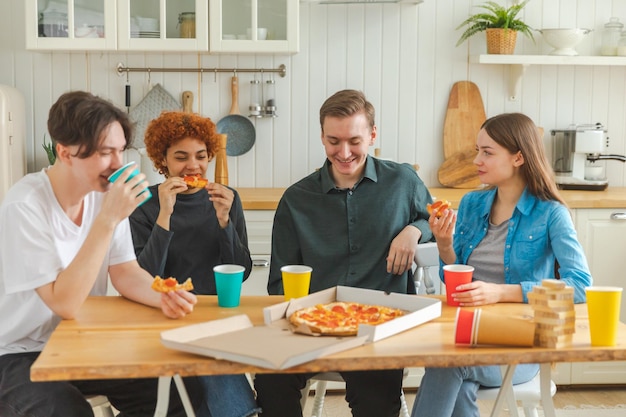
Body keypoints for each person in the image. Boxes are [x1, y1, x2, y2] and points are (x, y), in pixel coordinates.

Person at [0, 91, 203, 417]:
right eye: (105, 152)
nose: (118, 164)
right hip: (16, 353)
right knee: (67, 410)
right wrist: (108, 219)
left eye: (120, 150)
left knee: (182, 388)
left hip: (79, 341)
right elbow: (64, 303)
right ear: (65, 152)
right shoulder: (25, 206)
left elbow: (124, 271)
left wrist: (162, 295)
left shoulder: (102, 195)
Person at [253, 89, 434, 417]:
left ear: (372, 135)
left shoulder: (402, 182)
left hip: (379, 326)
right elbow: (279, 284)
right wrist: (304, 319)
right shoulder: (296, 200)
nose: (345, 152)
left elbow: (434, 216)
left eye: (354, 140)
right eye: (334, 141)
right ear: (322, 137)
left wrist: (414, 230)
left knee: (377, 403)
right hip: (311, 324)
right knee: (270, 381)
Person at [410, 112, 593, 417]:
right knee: (453, 372)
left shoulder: (550, 213)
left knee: (446, 365)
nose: (477, 160)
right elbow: (456, 277)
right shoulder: (471, 204)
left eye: (487, 152)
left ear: (519, 157)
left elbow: (581, 284)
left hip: (521, 343)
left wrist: (501, 292)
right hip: (468, 334)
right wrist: (443, 244)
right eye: (478, 151)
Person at [129, 110, 259, 417]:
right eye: (181, 157)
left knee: (213, 371)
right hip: (163, 315)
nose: (193, 166)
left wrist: (225, 222)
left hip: (217, 314)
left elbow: (241, 272)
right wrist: (164, 215)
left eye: (201, 156)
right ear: (163, 162)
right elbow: (143, 277)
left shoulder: (227, 199)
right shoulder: (143, 204)